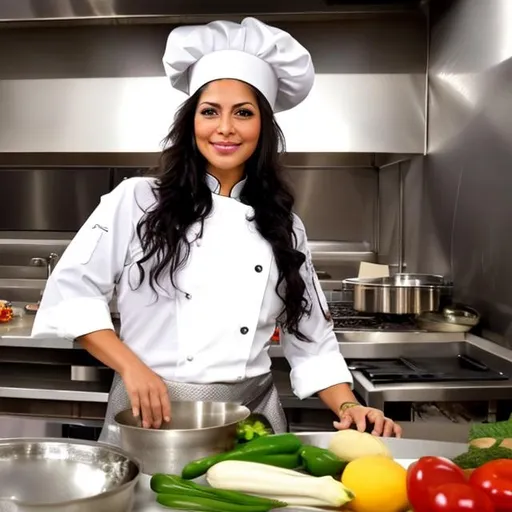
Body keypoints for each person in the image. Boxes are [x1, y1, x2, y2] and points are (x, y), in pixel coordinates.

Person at [32, 17, 402, 444]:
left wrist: (351, 405)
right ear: (191, 123)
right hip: (151, 413)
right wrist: (133, 368)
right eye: (210, 112)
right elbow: (73, 292)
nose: (225, 128)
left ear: (262, 127)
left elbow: (312, 339)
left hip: (253, 419)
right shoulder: (137, 200)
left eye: (243, 113)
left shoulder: (284, 224)